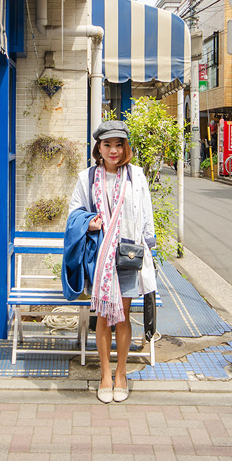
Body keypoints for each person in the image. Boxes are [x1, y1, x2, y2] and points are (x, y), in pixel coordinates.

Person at [65, 120, 157, 404]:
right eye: (108, 145)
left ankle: (121, 373)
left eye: (119, 144)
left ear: (126, 146)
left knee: (123, 316)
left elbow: (146, 216)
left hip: (127, 256)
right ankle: (105, 374)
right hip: (99, 257)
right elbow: (73, 213)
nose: (113, 150)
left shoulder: (136, 176)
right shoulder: (87, 177)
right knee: (104, 316)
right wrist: (89, 224)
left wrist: (147, 249)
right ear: (99, 147)